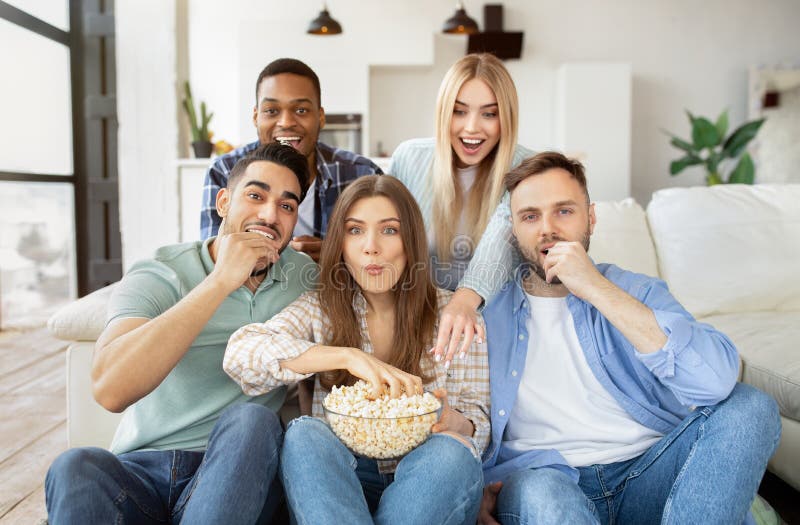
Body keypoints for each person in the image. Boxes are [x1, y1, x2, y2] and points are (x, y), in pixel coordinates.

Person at [477, 151, 781, 525]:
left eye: (564, 211)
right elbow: (461, 417)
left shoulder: (636, 290)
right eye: (530, 216)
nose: (547, 229)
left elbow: (716, 382)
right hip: (548, 483)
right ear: (513, 230)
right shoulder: (486, 316)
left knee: (751, 407)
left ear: (591, 219)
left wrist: (594, 287)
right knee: (543, 493)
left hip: (647, 473)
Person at [45, 143, 318, 524]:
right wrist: (221, 280)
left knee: (253, 420)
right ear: (223, 202)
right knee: (75, 466)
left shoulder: (304, 279)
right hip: (140, 474)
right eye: (255, 195)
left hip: (237, 472)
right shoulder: (160, 271)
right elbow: (110, 389)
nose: (270, 214)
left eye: (287, 206)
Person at [224, 175, 490, 524]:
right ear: (341, 244)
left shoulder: (452, 315)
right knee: (304, 433)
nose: (371, 247)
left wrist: (458, 422)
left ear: (411, 240)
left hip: (426, 475)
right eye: (355, 231)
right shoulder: (321, 308)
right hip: (342, 476)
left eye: (389, 230)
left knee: (453, 453)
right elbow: (242, 352)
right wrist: (348, 356)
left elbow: (479, 422)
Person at [389, 53, 532, 365]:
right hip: (417, 323)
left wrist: (466, 298)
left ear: (506, 117)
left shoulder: (527, 168)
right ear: (443, 113)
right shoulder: (410, 158)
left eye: (489, 114)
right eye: (459, 112)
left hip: (494, 328)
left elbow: (504, 234)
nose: (472, 128)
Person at [200, 58, 382, 262]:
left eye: (301, 110)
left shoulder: (363, 174)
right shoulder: (224, 170)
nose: (286, 122)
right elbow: (212, 259)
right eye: (271, 111)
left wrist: (338, 257)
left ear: (321, 117)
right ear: (256, 116)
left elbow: (386, 253)